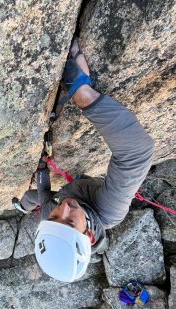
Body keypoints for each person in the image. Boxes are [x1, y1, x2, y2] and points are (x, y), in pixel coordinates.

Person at [12, 39, 154, 283]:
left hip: (65, 191)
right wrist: (82, 93)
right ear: (88, 236)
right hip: (89, 190)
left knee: (32, 197)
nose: (64, 208)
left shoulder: (51, 214)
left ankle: (22, 206)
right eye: (69, 222)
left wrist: (43, 168)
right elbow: (136, 152)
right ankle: (23, 205)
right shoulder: (109, 210)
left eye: (56, 217)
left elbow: (46, 198)